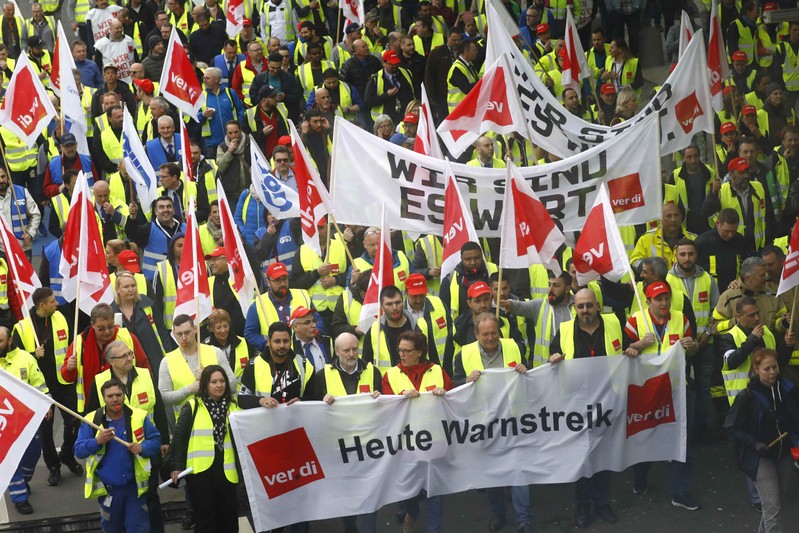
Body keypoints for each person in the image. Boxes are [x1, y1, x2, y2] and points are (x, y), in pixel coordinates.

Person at [548, 288, 627, 527]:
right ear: (575, 308)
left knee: (603, 455)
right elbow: (551, 357)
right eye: (580, 306)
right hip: (576, 404)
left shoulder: (613, 324)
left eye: (589, 306)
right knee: (581, 457)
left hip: (607, 402)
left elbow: (628, 349)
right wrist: (552, 359)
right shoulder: (563, 331)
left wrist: (636, 347)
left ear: (597, 306)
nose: (585, 311)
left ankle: (602, 504)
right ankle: (582, 506)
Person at [85, 340, 170, 533]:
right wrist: (95, 442)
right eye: (123, 356)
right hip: (115, 453)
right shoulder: (100, 381)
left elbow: (157, 409)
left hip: (145, 448)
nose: (130, 358)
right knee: (119, 504)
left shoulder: (146, 375)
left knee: (151, 497)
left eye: (130, 353)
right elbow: (90, 418)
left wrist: (163, 440)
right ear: (111, 361)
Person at [382, 331, 452, 533]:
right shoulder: (391, 375)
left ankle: (434, 529)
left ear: (419, 352)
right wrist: (399, 397)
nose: (401, 354)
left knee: (434, 491)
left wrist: (444, 394)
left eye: (406, 351)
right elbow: (386, 410)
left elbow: (454, 399)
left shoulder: (437, 371)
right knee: (410, 492)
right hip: (407, 445)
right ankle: (412, 512)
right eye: (400, 350)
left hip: (434, 442)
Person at [12, 288, 82, 488]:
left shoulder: (60, 317)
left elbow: (68, 345)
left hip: (64, 381)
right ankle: (54, 467)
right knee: (46, 431)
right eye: (52, 301)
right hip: (40, 387)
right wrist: (33, 355)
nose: (56, 304)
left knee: (75, 422)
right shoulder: (23, 328)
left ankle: (67, 454)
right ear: (42, 305)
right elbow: (16, 358)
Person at [724, 348, 799, 533]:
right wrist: (755, 444)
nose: (772, 372)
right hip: (760, 457)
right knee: (772, 507)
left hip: (784, 454)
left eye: (775, 367)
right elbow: (730, 427)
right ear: (756, 370)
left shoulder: (788, 390)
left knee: (773, 505)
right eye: (767, 369)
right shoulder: (746, 397)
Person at [74, 378, 161, 533]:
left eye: (118, 395)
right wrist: (97, 441)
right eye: (110, 396)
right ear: (103, 398)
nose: (115, 399)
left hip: (134, 489)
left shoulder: (139, 417)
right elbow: (79, 450)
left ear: (124, 395)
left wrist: (142, 447)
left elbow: (156, 441)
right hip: (109, 492)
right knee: (112, 529)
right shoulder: (92, 420)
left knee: (139, 529)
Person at [170, 365, 240, 533]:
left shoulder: (233, 407)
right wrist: (176, 467)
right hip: (200, 472)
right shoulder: (192, 406)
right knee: (206, 517)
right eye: (213, 381)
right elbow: (179, 439)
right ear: (205, 385)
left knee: (229, 516)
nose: (219, 385)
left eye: (222, 381)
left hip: (227, 470)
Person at [60, 303, 152, 414]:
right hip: (92, 406)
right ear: (92, 325)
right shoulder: (79, 343)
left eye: (110, 326)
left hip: (125, 404)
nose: (107, 331)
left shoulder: (127, 337)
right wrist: (70, 368)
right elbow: (66, 377)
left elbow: (144, 366)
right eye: (101, 328)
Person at [0, 326, 50, 515]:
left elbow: (39, 383)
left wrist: (47, 404)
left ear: (10, 340)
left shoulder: (26, 358)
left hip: (25, 420)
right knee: (11, 459)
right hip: (3, 421)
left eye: (0, 341)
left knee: (32, 454)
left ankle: (24, 480)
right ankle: (20, 497)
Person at [158, 314, 236, 425]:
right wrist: (188, 390)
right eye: (179, 334)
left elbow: (233, 386)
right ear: (174, 334)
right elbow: (164, 397)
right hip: (187, 424)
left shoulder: (215, 352)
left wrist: (209, 380)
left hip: (219, 420)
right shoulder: (167, 361)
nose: (184, 337)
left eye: (187, 332)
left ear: (195, 329)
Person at [111, 272, 175, 380]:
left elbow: (161, 330)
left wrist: (169, 354)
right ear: (118, 289)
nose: (131, 289)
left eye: (133, 285)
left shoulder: (147, 304)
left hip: (153, 356)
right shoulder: (112, 312)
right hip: (128, 361)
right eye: (126, 287)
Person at [204, 308, 252, 378]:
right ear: (211, 328)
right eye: (218, 327)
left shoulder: (244, 342)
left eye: (225, 326)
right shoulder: (205, 347)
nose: (223, 330)